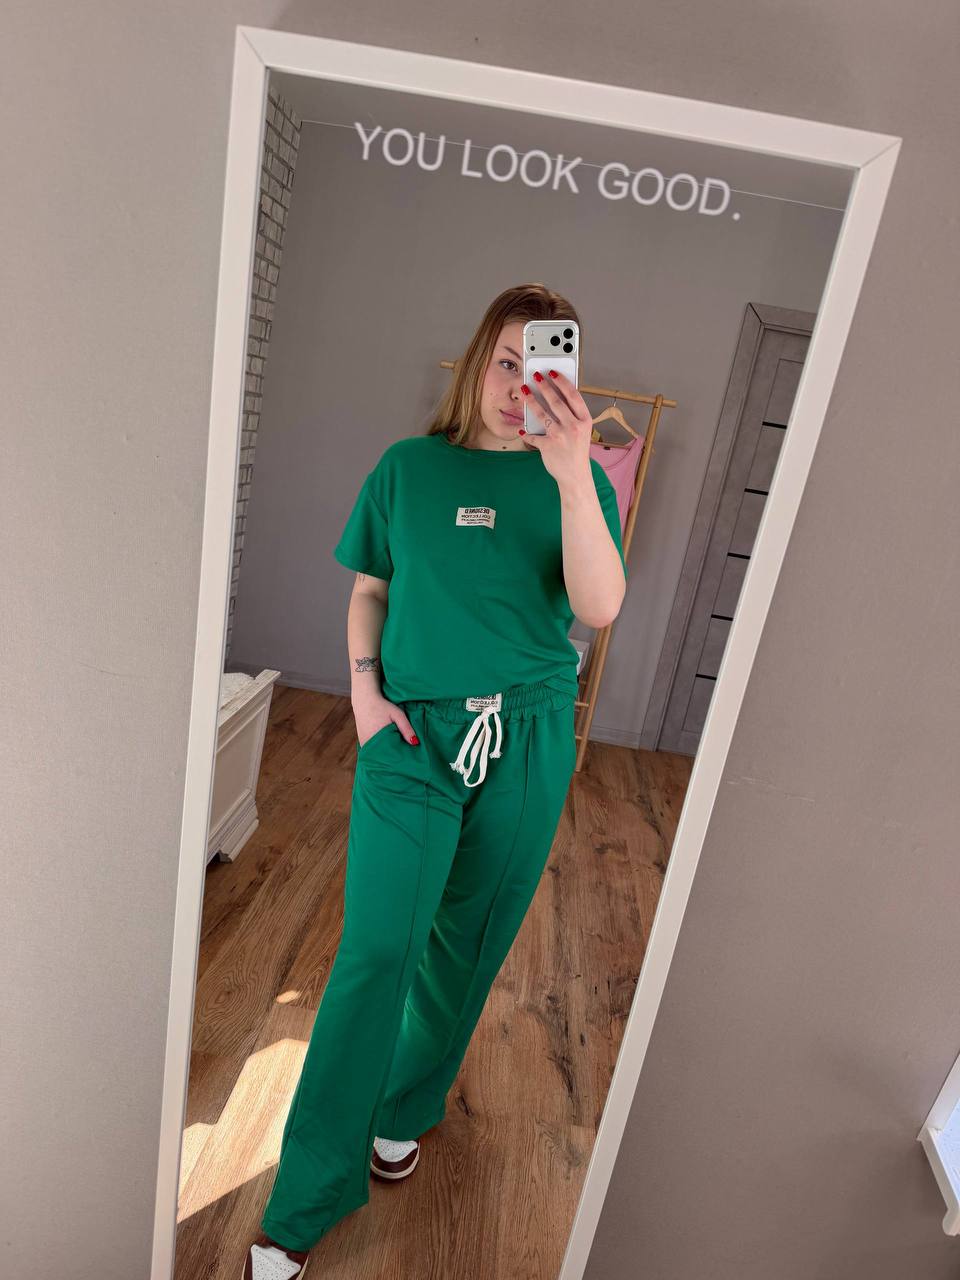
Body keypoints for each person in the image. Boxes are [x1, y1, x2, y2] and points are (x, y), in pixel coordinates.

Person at [243, 283, 627, 1280]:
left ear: (568, 380)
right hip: (411, 734)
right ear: (476, 361)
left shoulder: (579, 481)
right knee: (377, 952)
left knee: (469, 947)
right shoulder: (407, 468)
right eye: (505, 361)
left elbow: (598, 605)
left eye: (541, 367)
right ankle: (304, 1197)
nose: (518, 385)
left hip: (528, 734)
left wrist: (572, 475)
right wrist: (363, 692)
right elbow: (370, 588)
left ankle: (405, 1106)